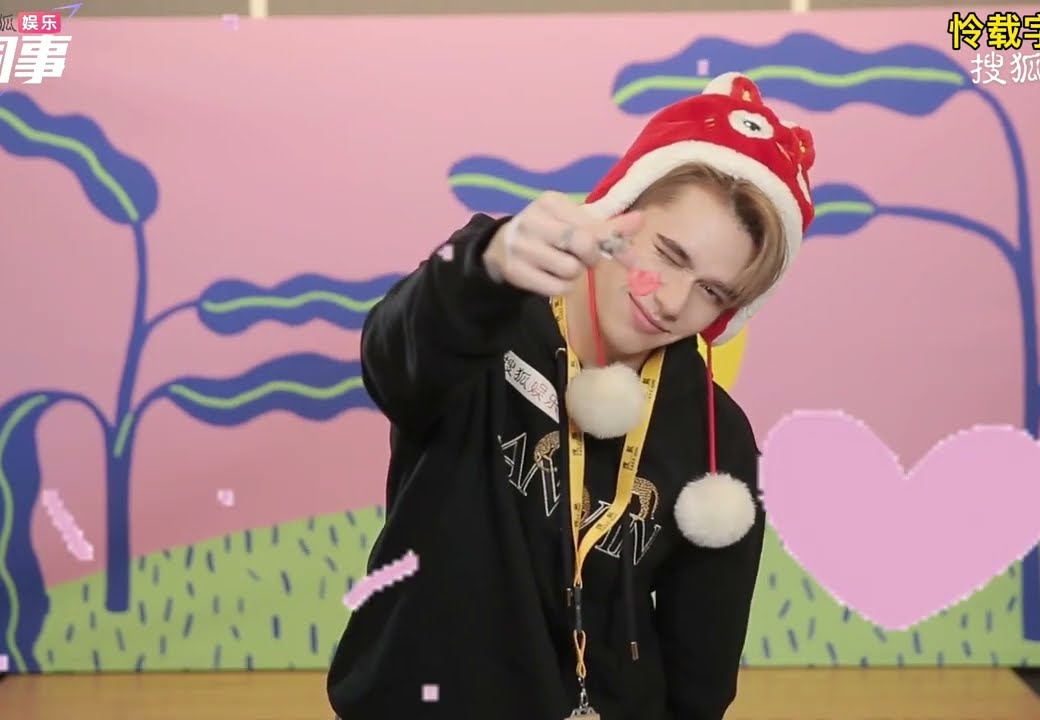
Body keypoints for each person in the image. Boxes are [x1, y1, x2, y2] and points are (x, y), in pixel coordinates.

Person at [327, 72, 816, 720]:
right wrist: (487, 267)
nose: (673, 302)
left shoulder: (715, 437)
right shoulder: (482, 323)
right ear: (617, 212)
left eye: (713, 292)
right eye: (670, 254)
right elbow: (391, 358)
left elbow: (701, 669)